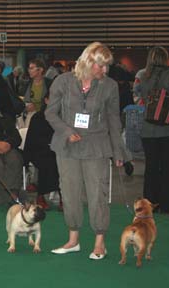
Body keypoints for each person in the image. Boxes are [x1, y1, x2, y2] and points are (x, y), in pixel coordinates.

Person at [45, 42, 124, 260]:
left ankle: (100, 242)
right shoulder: (62, 81)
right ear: (89, 62)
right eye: (101, 66)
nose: (105, 71)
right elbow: (51, 113)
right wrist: (67, 131)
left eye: (107, 66)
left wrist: (118, 151)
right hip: (67, 145)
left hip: (96, 146)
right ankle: (73, 240)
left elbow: (113, 119)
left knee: (97, 194)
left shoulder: (110, 86)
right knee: (69, 193)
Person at [138, 46, 169, 214]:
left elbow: (141, 96)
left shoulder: (143, 76)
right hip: (166, 129)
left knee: (150, 168)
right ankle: (165, 204)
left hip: (147, 129)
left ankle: (149, 204)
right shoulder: (167, 75)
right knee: (165, 168)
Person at [21, 59, 52, 128]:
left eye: (32, 68)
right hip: (30, 117)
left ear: (40, 69)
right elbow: (21, 101)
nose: (29, 70)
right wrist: (25, 108)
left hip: (45, 118)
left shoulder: (49, 84)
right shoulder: (26, 84)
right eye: (29, 68)